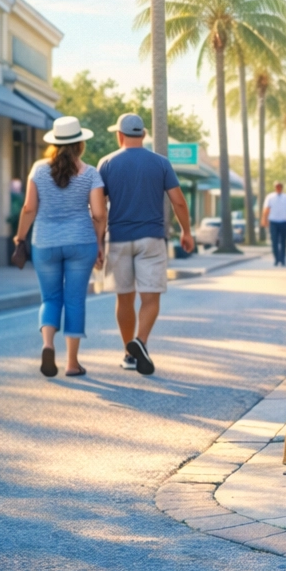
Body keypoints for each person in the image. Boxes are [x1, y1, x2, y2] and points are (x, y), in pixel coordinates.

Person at [97, 114, 195, 376]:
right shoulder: (161, 163)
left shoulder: (106, 163)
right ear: (143, 134)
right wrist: (186, 232)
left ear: (119, 135)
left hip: (118, 239)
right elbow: (178, 201)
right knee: (150, 297)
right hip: (151, 239)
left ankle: (129, 354)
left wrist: (97, 243)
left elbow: (99, 210)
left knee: (124, 298)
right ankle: (140, 341)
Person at [13, 116, 107, 378]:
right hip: (81, 243)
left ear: (54, 143)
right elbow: (99, 214)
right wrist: (99, 243)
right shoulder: (90, 174)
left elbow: (29, 208)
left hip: (45, 243)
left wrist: (20, 237)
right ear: (80, 144)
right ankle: (72, 364)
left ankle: (47, 344)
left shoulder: (38, 169)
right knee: (75, 300)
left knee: (50, 298)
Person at [262, 182, 286, 266]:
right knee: (274, 241)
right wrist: (264, 219)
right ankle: (276, 258)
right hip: (273, 221)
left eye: (279, 187)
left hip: (284, 221)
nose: (278, 188)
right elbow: (266, 209)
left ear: (282, 188)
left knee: (283, 241)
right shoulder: (270, 197)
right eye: (277, 187)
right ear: (275, 188)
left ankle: (283, 259)